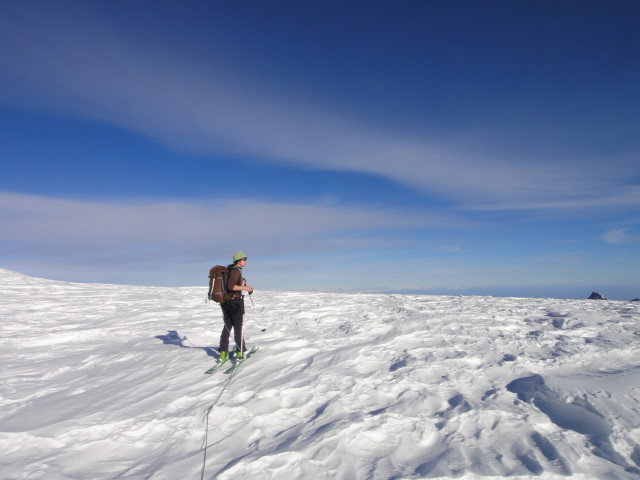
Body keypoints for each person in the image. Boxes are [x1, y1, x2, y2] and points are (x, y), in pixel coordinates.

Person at [218, 251, 253, 362]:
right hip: (235, 303)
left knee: (227, 327)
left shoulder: (229, 270)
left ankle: (223, 353)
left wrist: (241, 284)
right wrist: (245, 288)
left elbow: (230, 286)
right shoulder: (235, 271)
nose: (246, 261)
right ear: (239, 261)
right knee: (238, 328)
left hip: (225, 302)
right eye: (244, 259)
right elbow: (231, 286)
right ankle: (239, 353)